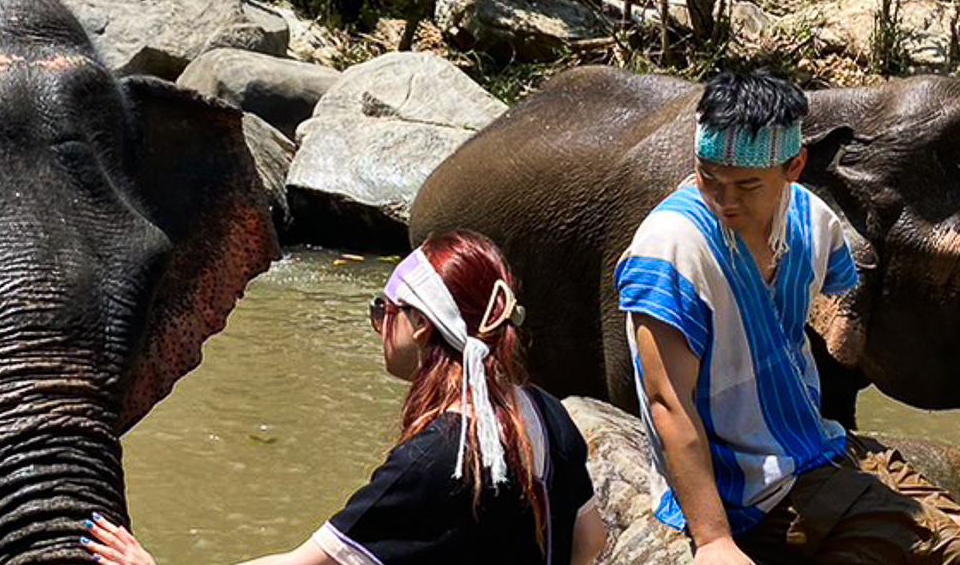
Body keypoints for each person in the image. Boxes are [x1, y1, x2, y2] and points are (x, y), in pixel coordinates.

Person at [614, 69, 960, 565]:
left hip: (813, 446)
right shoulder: (670, 248)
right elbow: (667, 400)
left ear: (794, 167)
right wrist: (713, 541)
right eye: (709, 178)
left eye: (747, 185)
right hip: (746, 488)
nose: (725, 201)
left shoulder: (811, 222)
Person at [85, 230, 608, 565]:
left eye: (385, 309)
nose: (379, 324)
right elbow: (589, 547)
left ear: (422, 325)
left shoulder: (435, 456)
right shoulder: (548, 412)